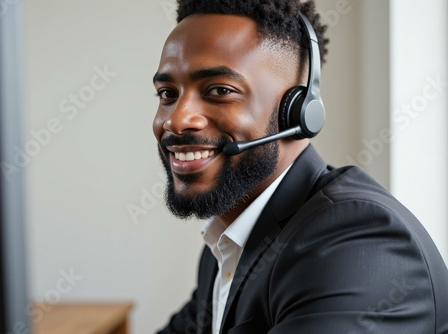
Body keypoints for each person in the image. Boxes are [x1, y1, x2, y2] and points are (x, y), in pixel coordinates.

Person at [152, 0, 448, 333]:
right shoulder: (228, 239)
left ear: (299, 112)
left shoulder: (356, 242)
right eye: (167, 93)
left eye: (220, 90)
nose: (177, 119)